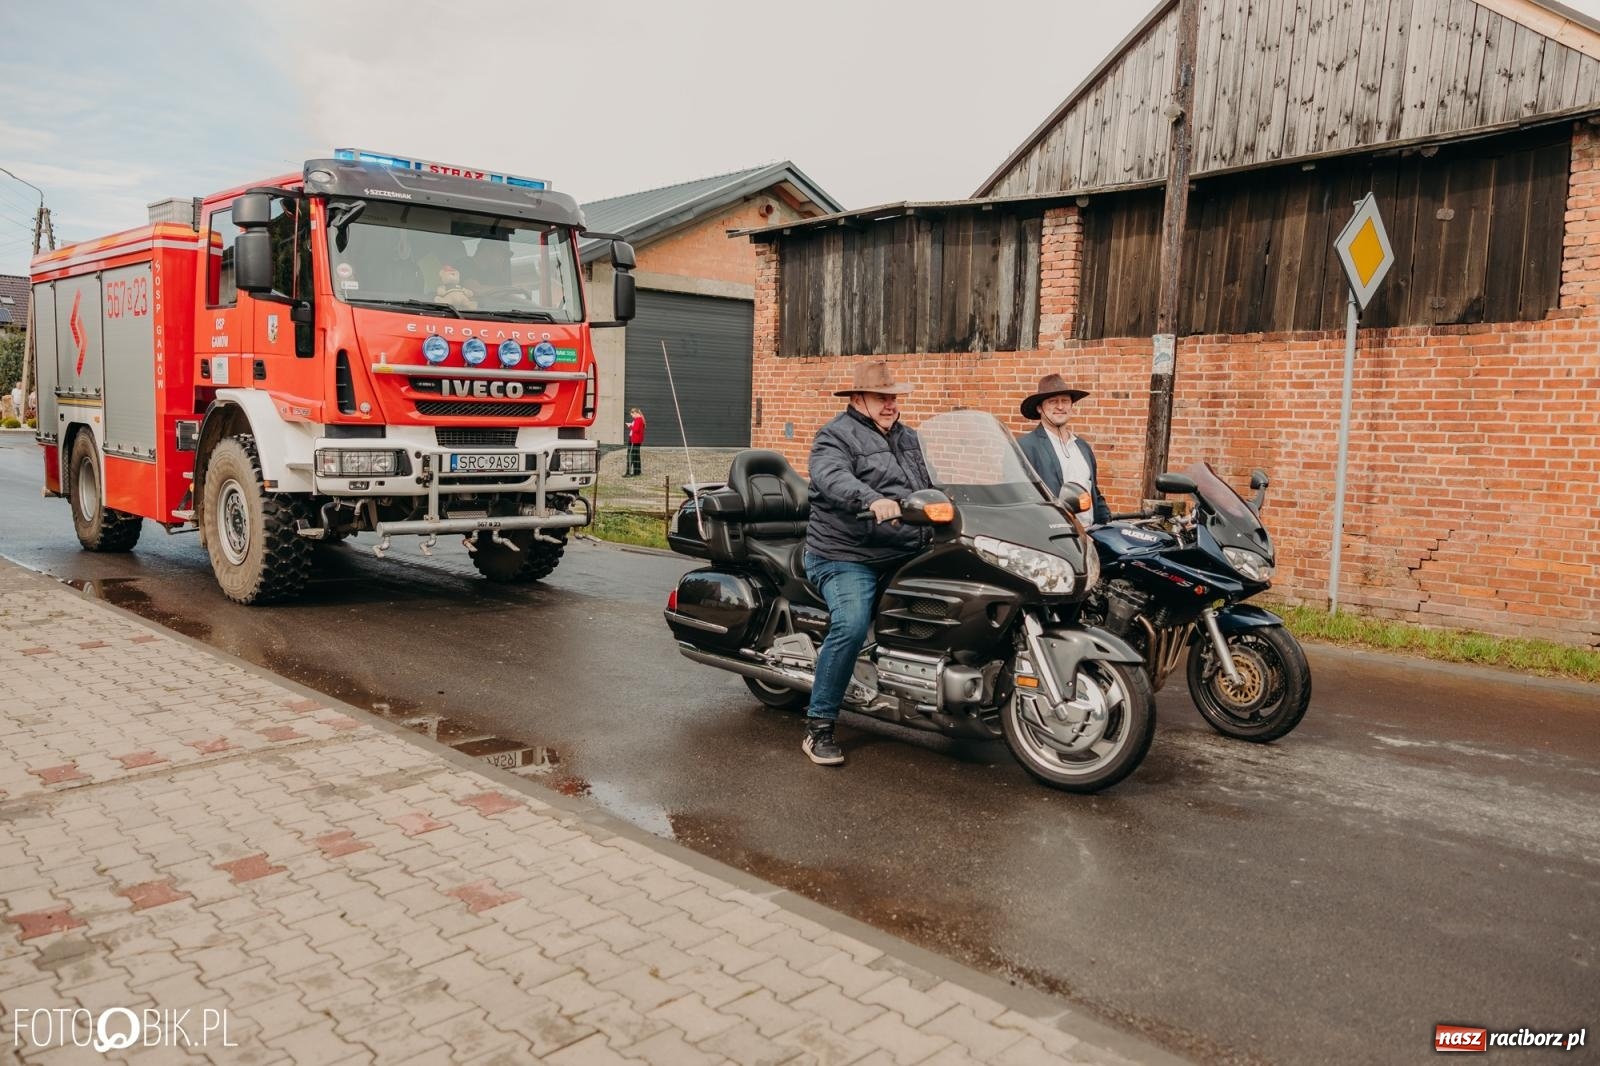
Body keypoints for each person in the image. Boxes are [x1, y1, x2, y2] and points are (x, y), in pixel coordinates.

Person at [801, 361, 932, 766]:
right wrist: (870, 499)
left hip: (904, 547)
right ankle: (819, 724)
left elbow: (934, 478)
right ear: (858, 398)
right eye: (882, 397)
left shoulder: (909, 438)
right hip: (845, 554)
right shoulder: (834, 437)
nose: (890, 404)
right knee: (852, 623)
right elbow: (831, 477)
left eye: (893, 397)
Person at [1016, 373, 1111, 525]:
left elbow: (1094, 493)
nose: (1060, 406)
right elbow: (1020, 499)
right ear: (1040, 408)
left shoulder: (1083, 447)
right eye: (1053, 401)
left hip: (1089, 536)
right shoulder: (1025, 447)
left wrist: (1106, 525)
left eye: (1065, 401)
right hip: (1055, 538)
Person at [623, 408, 645, 477]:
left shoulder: (638, 419)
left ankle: (628, 472)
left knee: (630, 456)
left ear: (635, 413)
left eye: (632, 415)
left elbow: (636, 429)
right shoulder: (641, 419)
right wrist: (631, 426)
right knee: (636, 456)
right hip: (637, 440)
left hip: (634, 440)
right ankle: (637, 472)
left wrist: (630, 425)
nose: (632, 416)